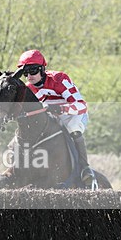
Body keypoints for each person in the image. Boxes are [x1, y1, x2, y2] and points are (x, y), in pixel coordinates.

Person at [16, 49, 97, 189]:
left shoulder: (59, 79)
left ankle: (85, 169)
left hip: (74, 114)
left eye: (33, 71)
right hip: (54, 116)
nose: (29, 76)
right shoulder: (29, 88)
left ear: (42, 69)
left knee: (73, 128)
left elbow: (81, 106)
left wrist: (61, 109)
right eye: (25, 73)